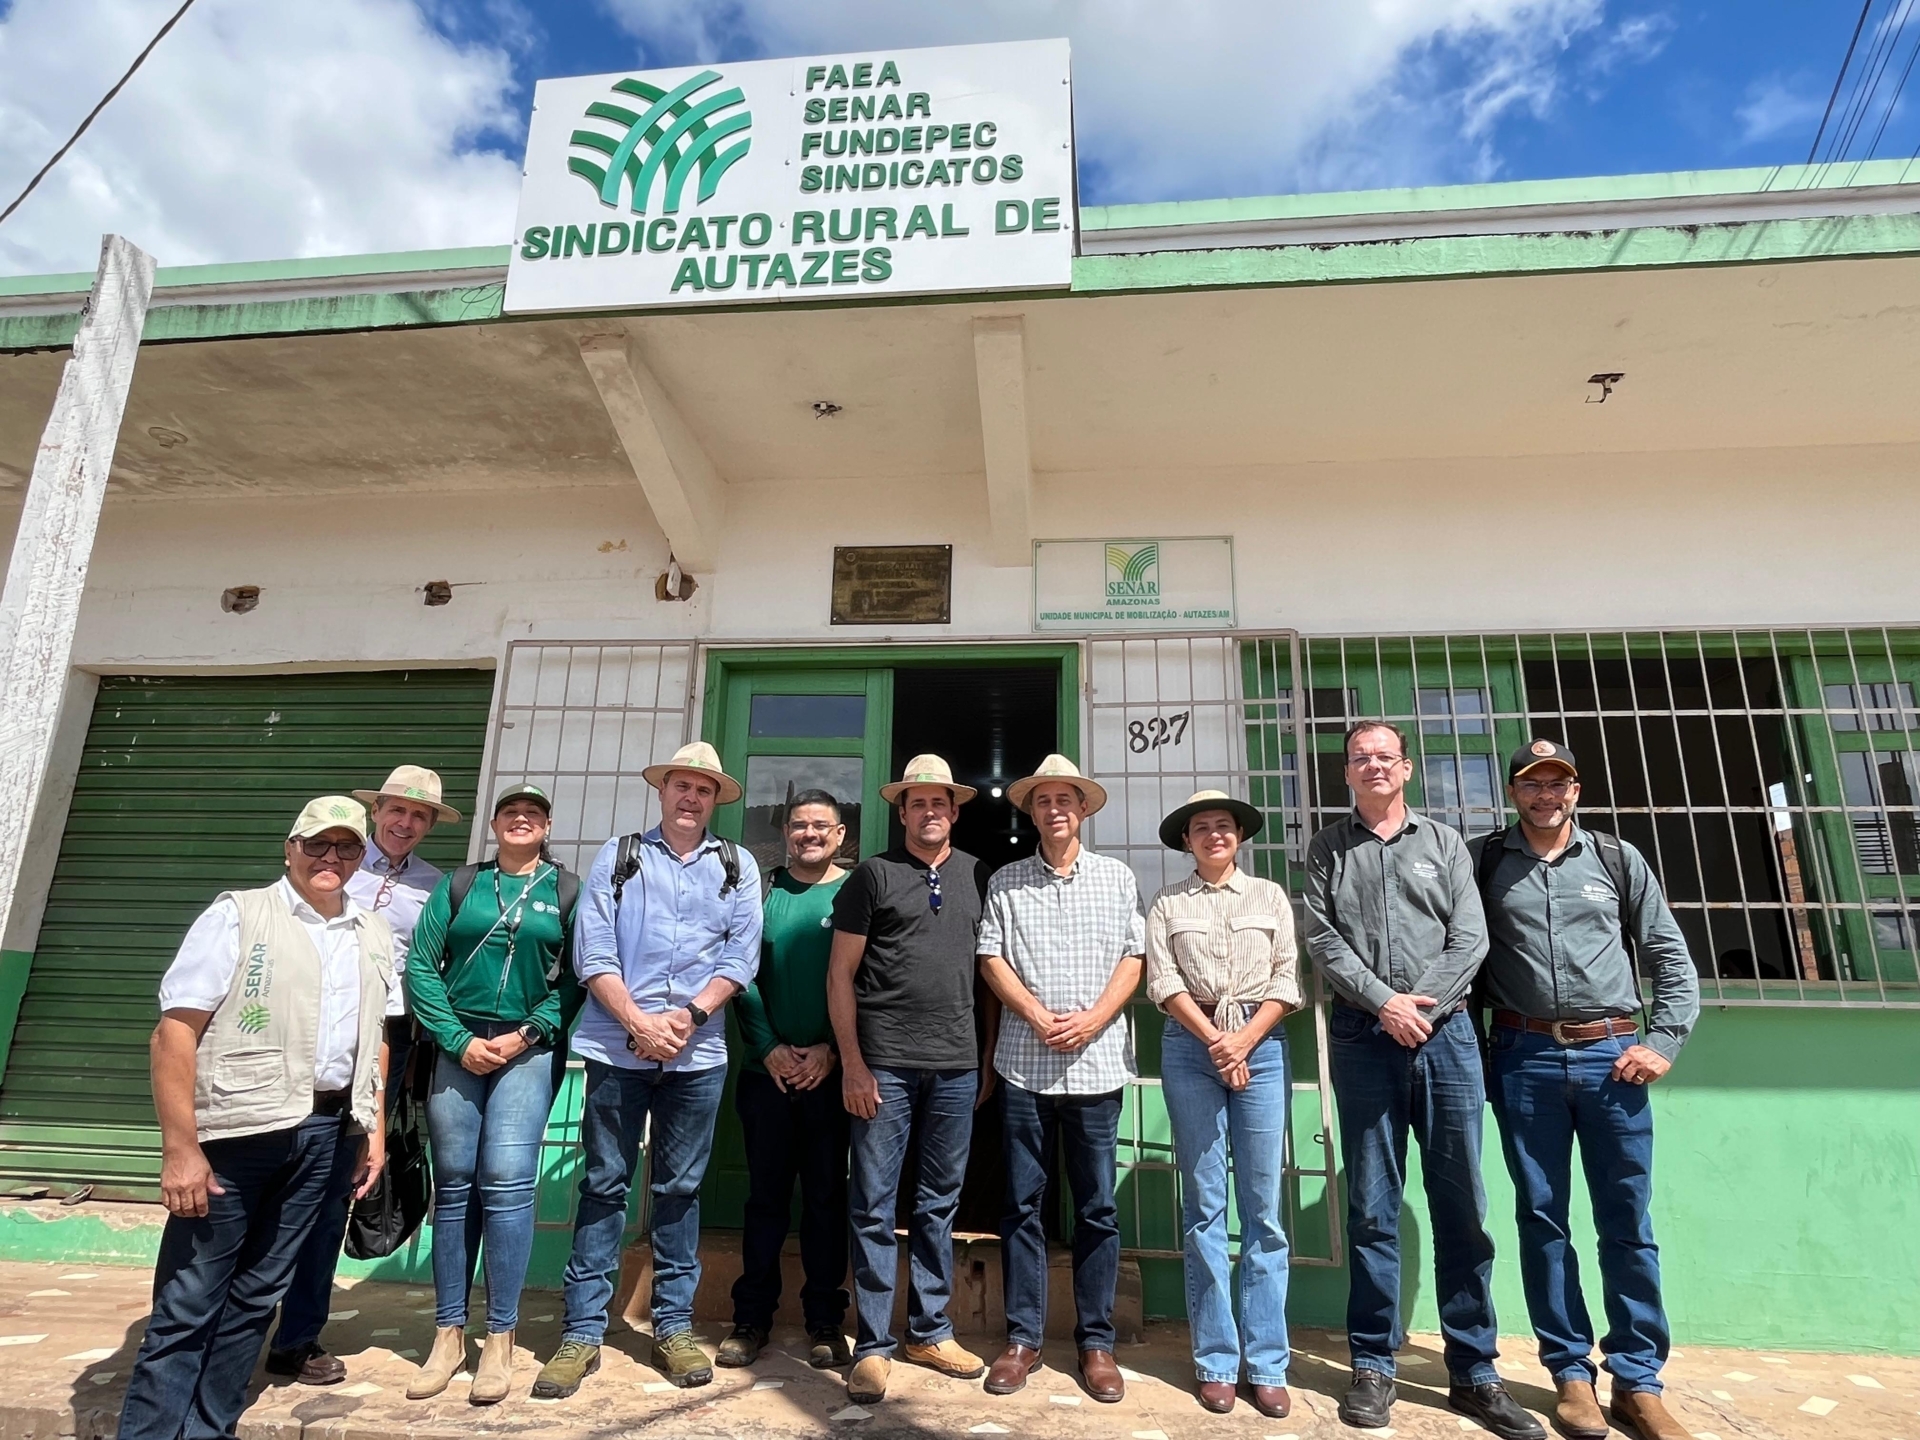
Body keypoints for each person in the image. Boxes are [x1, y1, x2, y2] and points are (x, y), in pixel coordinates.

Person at [117, 798, 395, 1440]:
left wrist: (371, 1129)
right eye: (318, 845)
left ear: (361, 856)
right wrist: (180, 1150)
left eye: (347, 848)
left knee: (254, 1300)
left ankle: (208, 1428)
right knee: (190, 1300)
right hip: (236, 1135)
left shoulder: (372, 931)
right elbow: (174, 1034)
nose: (332, 859)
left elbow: (376, 1035)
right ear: (290, 847)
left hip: (327, 1133)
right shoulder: (238, 915)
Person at [1303, 722, 1540, 1440]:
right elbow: (1320, 937)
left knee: (1460, 1203)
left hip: (1447, 1037)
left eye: (1385, 756)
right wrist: (1383, 1003)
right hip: (1362, 1036)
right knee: (1372, 1207)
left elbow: (1471, 938)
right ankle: (1373, 1364)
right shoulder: (1326, 849)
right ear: (1346, 773)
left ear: (1405, 768)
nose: (1373, 766)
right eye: (1360, 758)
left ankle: (1474, 1371)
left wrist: (1421, 1007)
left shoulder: (1444, 844)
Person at [1473, 740, 1700, 1440]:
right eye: (1532, 784)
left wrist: (1662, 1042)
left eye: (1559, 782)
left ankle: (1638, 1381)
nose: (1547, 794)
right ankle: (1571, 1375)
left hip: (1611, 1056)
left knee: (1627, 1222)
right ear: (1514, 793)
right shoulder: (1484, 862)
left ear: (1576, 790)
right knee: (1543, 1220)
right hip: (1524, 1054)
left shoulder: (1616, 859)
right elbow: (1462, 956)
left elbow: (1667, 952)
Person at [533, 742, 762, 1399]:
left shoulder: (737, 865)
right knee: (605, 1184)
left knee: (679, 1190)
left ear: (716, 800)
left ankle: (672, 1327)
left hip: (699, 1052)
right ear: (662, 792)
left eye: (703, 790)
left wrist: (687, 1017)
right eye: (680, 786)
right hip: (615, 1045)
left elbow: (740, 956)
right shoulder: (620, 854)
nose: (691, 798)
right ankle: (581, 1333)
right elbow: (593, 947)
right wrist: (637, 1021)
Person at [267, 764, 458, 1386]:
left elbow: (429, 969)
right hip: (293, 1032)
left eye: (420, 815)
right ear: (377, 812)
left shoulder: (437, 888)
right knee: (265, 1179)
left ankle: (297, 1336)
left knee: (337, 1182)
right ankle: (233, 1324)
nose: (405, 823)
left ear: (429, 825)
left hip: (383, 1038)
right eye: (397, 810)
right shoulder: (328, 863)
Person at [402, 783, 580, 1404]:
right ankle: (448, 1333)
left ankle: (500, 1338)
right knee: (453, 1182)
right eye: (510, 812)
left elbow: (578, 978)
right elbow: (422, 967)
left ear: (548, 826)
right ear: (495, 824)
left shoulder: (566, 891)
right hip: (458, 1045)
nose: (521, 819)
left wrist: (528, 1033)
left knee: (506, 1180)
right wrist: (456, 1038)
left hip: (526, 1049)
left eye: (532, 813)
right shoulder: (459, 886)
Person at [976, 755, 1142, 1404]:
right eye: (1043, 801)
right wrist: (1038, 1015)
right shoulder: (1008, 882)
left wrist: (1096, 1018)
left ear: (1083, 809)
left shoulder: (1116, 878)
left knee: (1097, 1208)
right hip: (1026, 1063)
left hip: (1097, 1067)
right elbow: (990, 957)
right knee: (1022, 1205)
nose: (1055, 810)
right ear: (1032, 812)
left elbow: (1135, 958)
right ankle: (1022, 1340)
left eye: (1065, 800)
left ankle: (1096, 1343)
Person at [829, 754, 993, 1405]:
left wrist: (983, 1057)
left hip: (955, 1068)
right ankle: (872, 1345)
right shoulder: (873, 876)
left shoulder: (981, 874)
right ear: (902, 813)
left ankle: (929, 1329)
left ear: (954, 811)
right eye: (918, 803)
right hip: (884, 1069)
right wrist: (853, 1063)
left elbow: (988, 976)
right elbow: (840, 974)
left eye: (941, 803)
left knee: (937, 1203)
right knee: (872, 1204)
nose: (931, 812)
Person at [1144, 790, 1299, 1419]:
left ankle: (1266, 1361)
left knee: (1264, 1210)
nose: (1213, 835)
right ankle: (1215, 1358)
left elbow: (1287, 977)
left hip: (1261, 1046)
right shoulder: (1167, 903)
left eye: (1224, 827)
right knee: (1205, 1206)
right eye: (1201, 828)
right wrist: (1216, 1042)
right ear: (1186, 840)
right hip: (1191, 1047)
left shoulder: (1270, 898)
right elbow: (1163, 981)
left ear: (1239, 837)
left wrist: (1242, 1041)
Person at [716, 789, 854, 1371]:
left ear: (841, 835)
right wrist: (768, 1047)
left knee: (826, 1199)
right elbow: (737, 973)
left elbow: (867, 977)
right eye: (799, 826)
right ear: (786, 833)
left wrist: (829, 1049)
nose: (809, 835)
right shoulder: (762, 890)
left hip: (832, 1074)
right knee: (766, 1200)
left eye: (821, 826)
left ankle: (826, 1320)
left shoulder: (857, 891)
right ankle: (751, 1319)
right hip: (764, 1075)